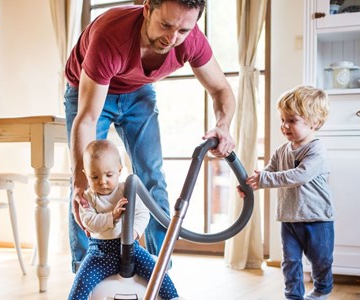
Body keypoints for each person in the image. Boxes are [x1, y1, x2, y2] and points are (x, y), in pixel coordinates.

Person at [64, 0, 236, 273]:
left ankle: (159, 270)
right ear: (147, 8)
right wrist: (78, 181)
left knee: (152, 177)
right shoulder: (110, 36)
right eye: (165, 25)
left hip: (138, 91)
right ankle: (86, 269)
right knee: (88, 181)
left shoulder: (191, 41)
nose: (172, 38)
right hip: (90, 90)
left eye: (182, 31)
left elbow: (221, 89)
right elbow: (86, 119)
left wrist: (223, 126)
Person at [239, 85, 334, 300]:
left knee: (321, 260)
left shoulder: (316, 151)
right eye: (283, 120)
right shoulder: (282, 150)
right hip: (289, 217)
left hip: (317, 218)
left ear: (315, 122)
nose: (285, 126)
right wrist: (253, 183)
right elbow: (269, 172)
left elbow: (299, 175)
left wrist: (264, 180)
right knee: (290, 261)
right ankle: (293, 295)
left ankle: (322, 289)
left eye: (292, 120)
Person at [68, 140, 180, 300]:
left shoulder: (127, 190)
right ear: (86, 175)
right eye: (94, 176)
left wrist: (134, 233)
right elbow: (90, 222)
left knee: (156, 272)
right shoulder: (87, 198)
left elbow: (143, 214)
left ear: (119, 170)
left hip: (131, 249)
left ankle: (173, 297)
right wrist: (111, 216)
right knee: (81, 282)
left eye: (109, 175)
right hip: (100, 253)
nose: (102, 181)